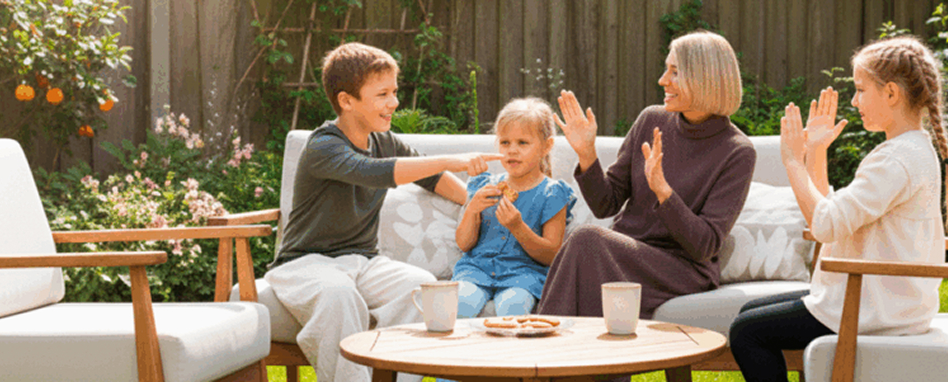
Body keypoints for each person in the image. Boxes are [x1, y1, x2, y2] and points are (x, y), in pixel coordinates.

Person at [728, 35, 948, 382]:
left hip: (876, 309)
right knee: (752, 312)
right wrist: (818, 150)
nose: (854, 101)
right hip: (883, 302)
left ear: (891, 93)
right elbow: (832, 215)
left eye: (860, 89)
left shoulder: (895, 160)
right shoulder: (912, 150)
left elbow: (825, 224)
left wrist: (794, 162)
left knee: (747, 332)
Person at [263, 42, 502, 382]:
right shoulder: (323, 146)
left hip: (362, 260)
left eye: (394, 92)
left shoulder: (384, 139)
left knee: (420, 286)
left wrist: (477, 202)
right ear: (347, 101)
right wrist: (455, 157)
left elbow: (432, 177)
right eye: (382, 95)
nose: (394, 103)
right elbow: (375, 172)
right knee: (337, 295)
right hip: (304, 263)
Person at [539, 30, 756, 319]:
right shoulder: (651, 120)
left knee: (587, 240)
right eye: (666, 69)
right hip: (627, 252)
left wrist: (664, 192)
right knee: (588, 243)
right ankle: (566, 351)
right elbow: (606, 203)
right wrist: (586, 153)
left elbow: (705, 245)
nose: (662, 80)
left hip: (681, 268)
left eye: (674, 72)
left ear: (704, 77)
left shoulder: (737, 151)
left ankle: (546, 343)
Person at [452, 97, 577, 318]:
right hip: (475, 272)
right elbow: (464, 243)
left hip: (523, 276)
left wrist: (517, 227)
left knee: (513, 309)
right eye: (505, 142)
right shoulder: (484, 185)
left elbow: (552, 255)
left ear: (546, 146)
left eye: (522, 143)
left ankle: (511, 353)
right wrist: (472, 210)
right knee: (459, 307)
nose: (512, 150)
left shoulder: (553, 193)